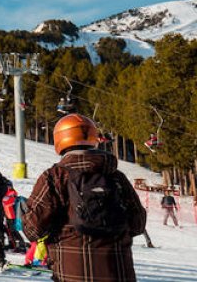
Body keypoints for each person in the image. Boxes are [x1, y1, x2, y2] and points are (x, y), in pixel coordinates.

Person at [23, 114, 146, 282]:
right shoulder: (116, 177)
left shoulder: (55, 176)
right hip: (118, 271)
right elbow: (138, 224)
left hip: (72, 272)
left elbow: (32, 228)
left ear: (60, 139)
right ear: (93, 137)